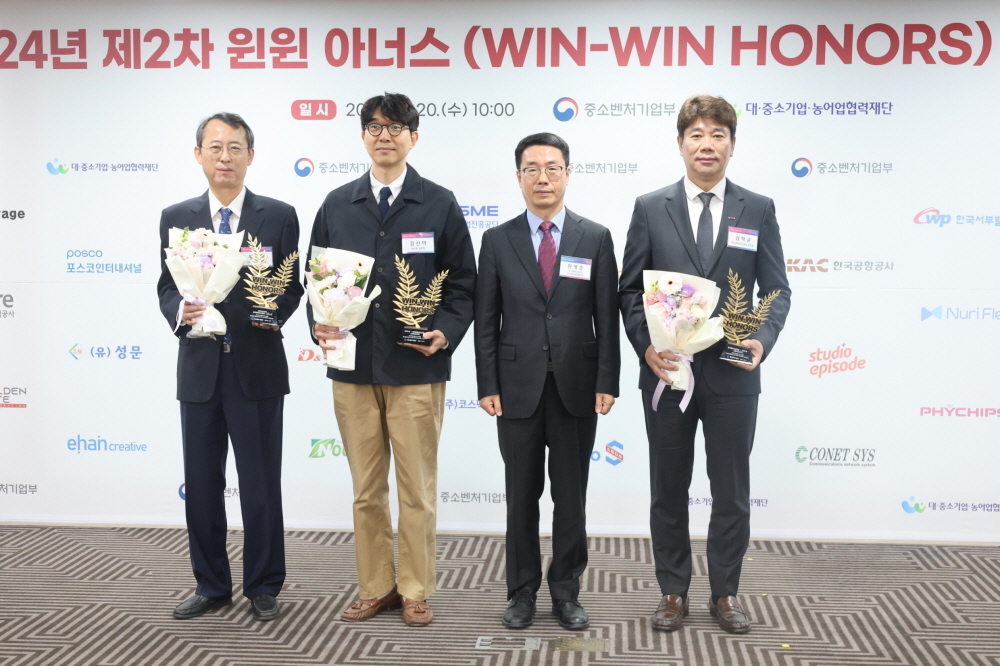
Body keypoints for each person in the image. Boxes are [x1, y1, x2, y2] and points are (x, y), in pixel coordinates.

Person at [619, 95, 791, 634]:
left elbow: (777, 290)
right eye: (696, 134)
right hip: (668, 373)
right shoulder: (651, 207)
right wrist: (646, 346)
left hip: (734, 375)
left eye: (718, 134)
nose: (707, 144)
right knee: (668, 488)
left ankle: (726, 593)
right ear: (680, 144)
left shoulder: (757, 208)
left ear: (732, 145)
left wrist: (761, 339)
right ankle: (672, 591)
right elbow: (629, 290)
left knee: (731, 491)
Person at [307, 92, 476, 626]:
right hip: (352, 366)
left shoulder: (439, 203)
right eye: (375, 127)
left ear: (413, 138)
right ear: (363, 137)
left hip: (416, 369)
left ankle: (416, 588)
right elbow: (315, 279)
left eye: (396, 127)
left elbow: (464, 284)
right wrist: (318, 322)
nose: (385, 136)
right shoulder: (337, 204)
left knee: (417, 488)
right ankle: (375, 586)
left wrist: (445, 332)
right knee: (366, 489)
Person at [157, 112, 303, 622]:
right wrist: (181, 309)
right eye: (215, 147)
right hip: (200, 370)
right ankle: (211, 584)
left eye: (235, 147)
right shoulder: (176, 216)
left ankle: (263, 583)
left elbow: (292, 286)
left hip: (257, 368)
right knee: (201, 484)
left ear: (250, 156)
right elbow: (166, 286)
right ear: (198, 154)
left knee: (260, 482)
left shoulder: (278, 215)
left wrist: (273, 311)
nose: (225, 157)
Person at [475, 133, 619, 630]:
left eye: (552, 168)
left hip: (577, 387)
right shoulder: (497, 240)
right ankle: (521, 592)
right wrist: (487, 384)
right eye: (532, 168)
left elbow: (606, 317)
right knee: (521, 496)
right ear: (518, 177)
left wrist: (608, 380)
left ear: (567, 175)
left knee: (571, 498)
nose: (542, 177)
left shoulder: (595, 237)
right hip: (516, 388)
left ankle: (566, 592)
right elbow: (486, 320)